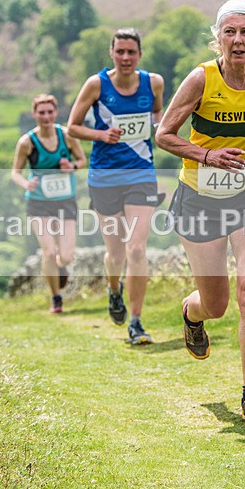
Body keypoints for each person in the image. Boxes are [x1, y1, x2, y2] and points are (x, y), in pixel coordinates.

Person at [155, 0, 245, 422]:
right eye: (229, 32)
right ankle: (191, 312)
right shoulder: (201, 79)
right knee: (215, 304)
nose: (238, 40)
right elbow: (164, 134)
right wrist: (206, 155)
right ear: (218, 37)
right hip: (199, 199)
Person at [67, 28, 165, 345]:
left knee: (137, 248)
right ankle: (114, 289)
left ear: (140, 55)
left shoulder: (154, 83)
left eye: (131, 52)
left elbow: (157, 115)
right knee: (116, 253)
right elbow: (72, 127)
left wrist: (162, 127)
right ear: (111, 53)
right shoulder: (97, 84)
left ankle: (136, 322)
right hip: (105, 177)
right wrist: (101, 135)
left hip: (141, 174)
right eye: (120, 51)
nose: (125, 57)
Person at [12, 94, 86, 313]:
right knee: (48, 251)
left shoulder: (67, 136)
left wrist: (71, 167)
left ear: (56, 112)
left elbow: (82, 161)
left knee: (66, 256)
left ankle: (61, 269)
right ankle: (56, 297)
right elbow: (15, 172)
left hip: (65, 201)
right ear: (34, 114)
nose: (46, 116)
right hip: (39, 203)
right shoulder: (27, 142)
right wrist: (26, 184)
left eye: (49, 112)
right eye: (41, 112)